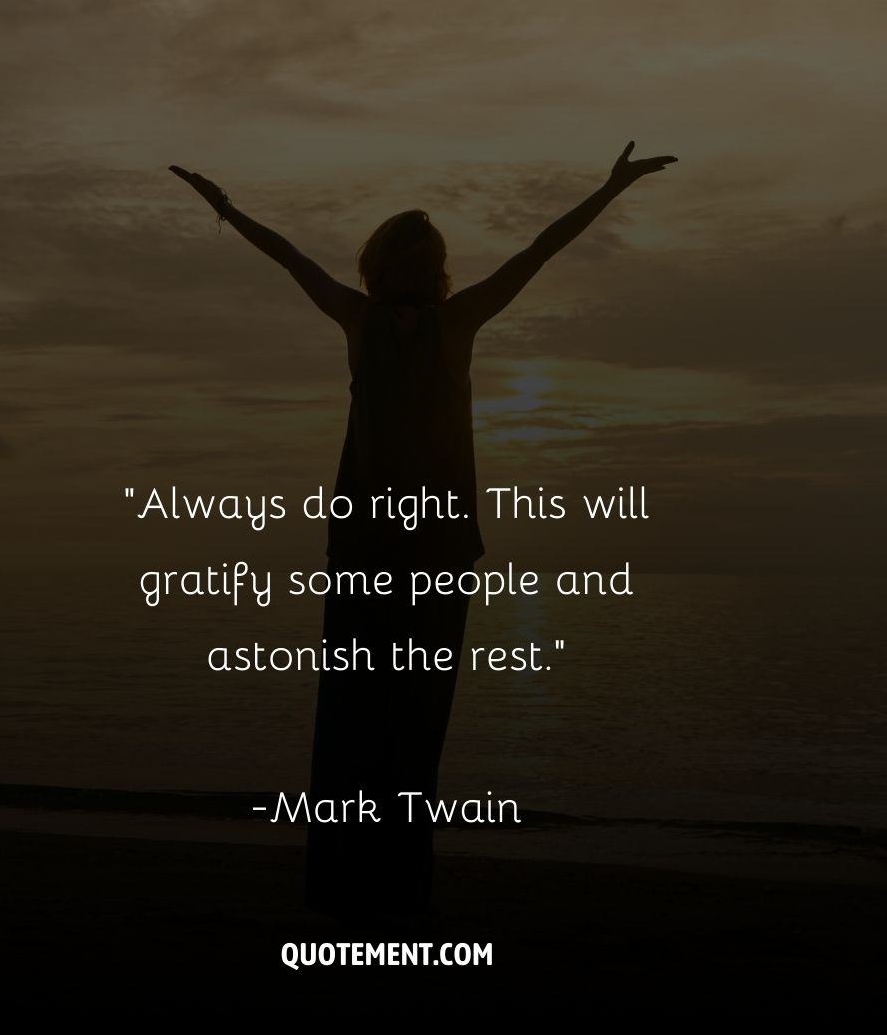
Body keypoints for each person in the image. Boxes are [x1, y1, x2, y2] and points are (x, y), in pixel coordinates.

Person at [170, 141, 676, 918]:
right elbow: (540, 249)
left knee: (348, 730)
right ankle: (397, 896)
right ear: (435, 266)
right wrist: (609, 190)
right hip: (432, 557)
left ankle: (341, 893)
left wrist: (227, 208)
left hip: (369, 554)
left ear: (375, 264)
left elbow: (288, 255)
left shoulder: (358, 317)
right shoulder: (456, 318)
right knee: (412, 734)